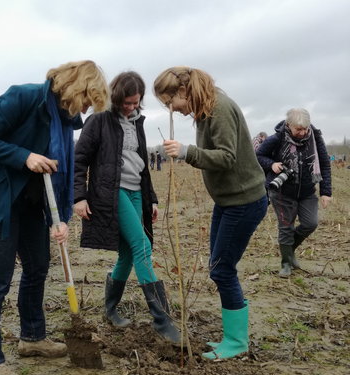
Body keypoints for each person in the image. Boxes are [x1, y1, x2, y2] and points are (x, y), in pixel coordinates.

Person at [0, 60, 109, 375]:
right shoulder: (24, 98)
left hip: (31, 203)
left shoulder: (66, 122)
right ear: (74, 87)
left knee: (38, 267)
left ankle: (32, 338)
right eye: (86, 100)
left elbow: (62, 172)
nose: (85, 108)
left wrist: (61, 218)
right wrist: (24, 156)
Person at [155, 67, 267, 360]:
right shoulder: (205, 108)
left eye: (170, 102)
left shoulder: (219, 108)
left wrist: (187, 152)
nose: (172, 110)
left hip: (244, 201)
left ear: (182, 91)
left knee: (222, 269)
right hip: (229, 202)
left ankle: (236, 341)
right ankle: (233, 335)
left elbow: (227, 157)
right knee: (219, 265)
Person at [74, 71, 182, 346]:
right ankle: (162, 321)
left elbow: (141, 165)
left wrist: (152, 199)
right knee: (143, 246)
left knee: (128, 255)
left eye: (136, 103)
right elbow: (80, 160)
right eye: (127, 103)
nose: (131, 107)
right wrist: (79, 197)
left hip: (136, 193)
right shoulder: (98, 119)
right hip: (111, 193)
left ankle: (109, 309)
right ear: (116, 97)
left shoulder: (138, 122)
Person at [256, 108, 332, 278]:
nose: (303, 132)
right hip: (283, 192)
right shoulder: (277, 138)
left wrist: (326, 192)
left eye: (305, 128)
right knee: (286, 228)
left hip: (307, 191)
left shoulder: (315, 138)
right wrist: (272, 164)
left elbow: (325, 164)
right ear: (289, 125)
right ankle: (285, 263)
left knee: (310, 224)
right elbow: (258, 155)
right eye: (299, 129)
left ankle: (289, 251)